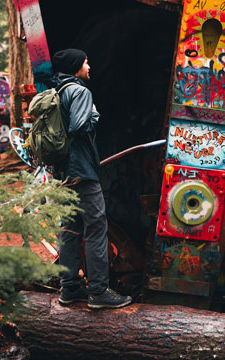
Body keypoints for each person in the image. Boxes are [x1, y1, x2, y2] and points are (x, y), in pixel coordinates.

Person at [49, 48, 132, 309]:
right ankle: (98, 292)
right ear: (76, 66)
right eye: (86, 62)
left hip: (62, 171)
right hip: (82, 170)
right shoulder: (80, 91)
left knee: (70, 229)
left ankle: (70, 288)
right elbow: (79, 126)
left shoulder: (57, 91)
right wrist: (94, 114)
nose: (89, 66)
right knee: (96, 227)